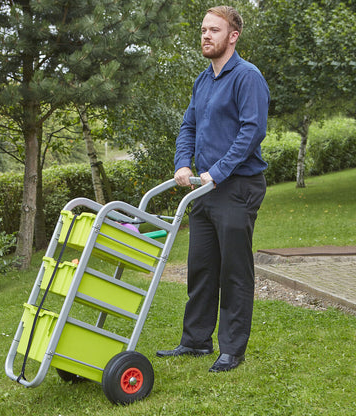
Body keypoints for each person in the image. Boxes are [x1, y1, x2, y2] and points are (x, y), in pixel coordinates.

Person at [156, 5, 269, 372]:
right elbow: (188, 126)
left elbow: (251, 132)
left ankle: (232, 349)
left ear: (233, 36)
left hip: (236, 187)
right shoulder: (203, 81)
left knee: (234, 270)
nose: (206, 35)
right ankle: (195, 341)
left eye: (214, 30)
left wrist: (216, 172)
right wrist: (183, 164)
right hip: (203, 189)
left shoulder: (247, 77)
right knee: (201, 267)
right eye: (203, 29)